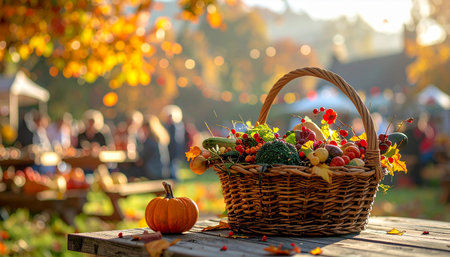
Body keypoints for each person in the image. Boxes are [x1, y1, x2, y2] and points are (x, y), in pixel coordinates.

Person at [137, 115, 170, 180]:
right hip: (164, 170)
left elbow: (143, 156)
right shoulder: (160, 138)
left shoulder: (150, 140)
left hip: (153, 171)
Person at [161, 105, 186, 180]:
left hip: (174, 151)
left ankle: (175, 182)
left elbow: (175, 140)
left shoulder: (176, 126)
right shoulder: (171, 126)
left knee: (173, 168)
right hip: (172, 150)